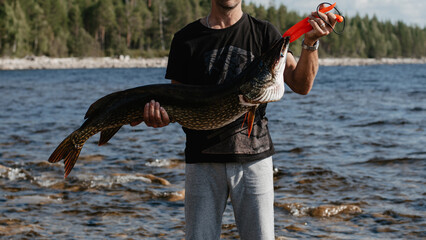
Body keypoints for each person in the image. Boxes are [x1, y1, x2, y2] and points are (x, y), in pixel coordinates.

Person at [138, 1, 337, 239]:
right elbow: (177, 102)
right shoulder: (186, 38)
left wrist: (311, 43)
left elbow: (301, 85)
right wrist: (159, 117)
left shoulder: (264, 33)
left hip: (255, 159)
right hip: (202, 162)